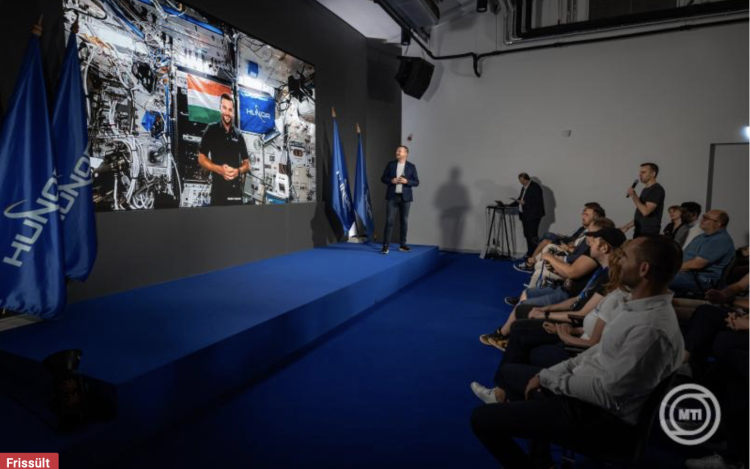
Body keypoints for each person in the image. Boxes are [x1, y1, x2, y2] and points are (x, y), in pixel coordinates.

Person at [470, 235, 685, 468]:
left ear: (643, 269)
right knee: (509, 373)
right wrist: (550, 374)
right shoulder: (635, 307)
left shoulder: (651, 329)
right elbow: (596, 352)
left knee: (481, 419)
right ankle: (541, 458)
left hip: (598, 417)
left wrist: (551, 380)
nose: (617, 261)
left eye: (624, 256)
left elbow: (609, 394)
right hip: (585, 391)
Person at [515, 202, 605, 273]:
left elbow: (580, 253)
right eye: (583, 213)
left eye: (586, 214)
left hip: (570, 255)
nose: (582, 216)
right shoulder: (583, 229)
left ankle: (531, 262)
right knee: (548, 239)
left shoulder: (593, 236)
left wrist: (568, 249)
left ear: (595, 219)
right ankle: (533, 262)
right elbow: (574, 241)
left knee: (548, 242)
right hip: (568, 247)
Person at [198, 93, 250, 206]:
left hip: (235, 193)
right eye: (224, 108)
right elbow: (201, 159)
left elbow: (247, 164)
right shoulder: (211, 130)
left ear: (233, 112)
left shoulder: (238, 135)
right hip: (218, 192)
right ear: (220, 108)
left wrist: (238, 171)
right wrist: (219, 169)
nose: (227, 112)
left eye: (230, 110)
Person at [670, 209, 735, 291]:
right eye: (703, 217)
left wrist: (671, 268)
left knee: (658, 278)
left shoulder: (720, 240)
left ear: (718, 224)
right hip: (687, 274)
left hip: (700, 279)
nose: (702, 219)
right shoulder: (702, 237)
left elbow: (697, 264)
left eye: (706, 218)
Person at [380, 145, 419, 254]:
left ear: (406, 153)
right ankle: (385, 245)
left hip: (405, 198)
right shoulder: (391, 165)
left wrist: (407, 182)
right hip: (392, 197)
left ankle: (402, 244)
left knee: (404, 221)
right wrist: (391, 181)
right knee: (389, 221)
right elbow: (383, 178)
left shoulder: (411, 166)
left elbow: (416, 182)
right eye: (397, 150)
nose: (397, 152)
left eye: (400, 151)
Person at [620, 163, 665, 237]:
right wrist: (626, 227)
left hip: (648, 234)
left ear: (653, 174)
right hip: (639, 232)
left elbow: (645, 212)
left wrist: (634, 196)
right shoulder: (645, 190)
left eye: (643, 172)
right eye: (640, 172)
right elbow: (640, 216)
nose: (640, 175)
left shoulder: (656, 190)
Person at [513, 173, 545, 258]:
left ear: (527, 179)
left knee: (533, 236)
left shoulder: (535, 187)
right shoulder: (524, 187)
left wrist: (525, 203)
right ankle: (530, 252)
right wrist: (508, 205)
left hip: (533, 216)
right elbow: (520, 198)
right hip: (525, 215)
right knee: (527, 234)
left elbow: (538, 201)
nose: (521, 182)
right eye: (520, 181)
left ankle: (534, 255)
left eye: (522, 180)